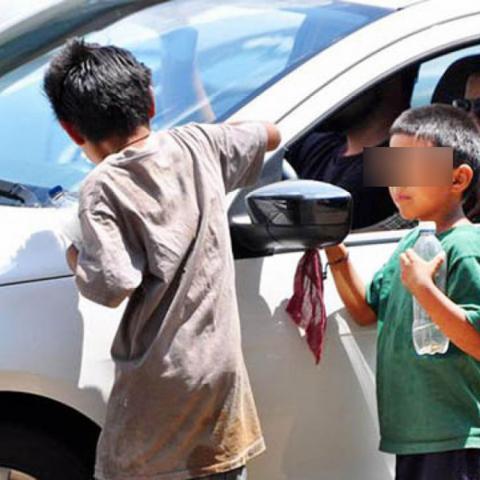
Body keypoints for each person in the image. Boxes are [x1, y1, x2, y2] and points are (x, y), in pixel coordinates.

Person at [43, 39, 281, 480]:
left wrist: (74, 252)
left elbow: (111, 284)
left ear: (72, 132)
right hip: (219, 382)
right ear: (150, 102)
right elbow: (270, 133)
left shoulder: (101, 186)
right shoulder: (198, 144)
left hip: (157, 387)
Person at [325, 104, 480, 480]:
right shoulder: (412, 242)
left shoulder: (466, 246)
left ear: (458, 179)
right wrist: (334, 249)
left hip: (458, 439)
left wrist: (425, 290)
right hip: (413, 438)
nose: (398, 183)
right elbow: (367, 311)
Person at [287, 68, 418, 229]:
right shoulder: (321, 145)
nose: (329, 90)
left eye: (343, 78)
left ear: (390, 79)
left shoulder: (408, 163)